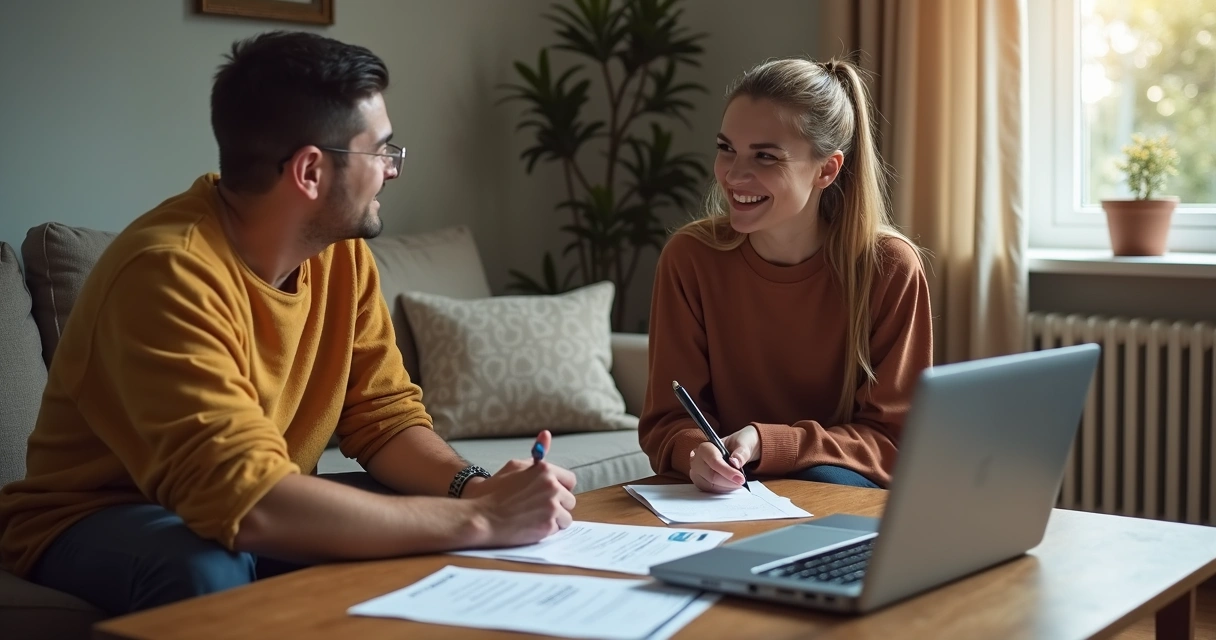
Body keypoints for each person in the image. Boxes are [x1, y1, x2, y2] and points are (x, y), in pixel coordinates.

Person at [0, 31, 576, 615]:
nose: (391, 170)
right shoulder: (168, 273)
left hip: (243, 499)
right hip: (95, 516)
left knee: (409, 511)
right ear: (309, 171)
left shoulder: (340, 252)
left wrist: (473, 488)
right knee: (204, 565)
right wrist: (479, 517)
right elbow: (247, 503)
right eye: (380, 151)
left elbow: (383, 417)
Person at [638, 56, 933, 494]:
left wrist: (769, 442)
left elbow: (893, 441)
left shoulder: (889, 267)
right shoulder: (690, 258)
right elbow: (667, 420)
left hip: (838, 488)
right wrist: (694, 451)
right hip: (721, 494)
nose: (735, 175)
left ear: (826, 170)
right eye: (726, 149)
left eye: (766, 156)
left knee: (819, 483)